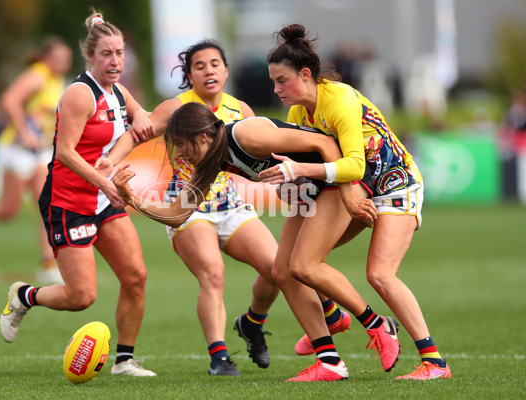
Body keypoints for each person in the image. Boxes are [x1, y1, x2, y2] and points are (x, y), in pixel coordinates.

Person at [112, 101, 401, 382]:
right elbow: (179, 214)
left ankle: (377, 326)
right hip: (312, 188)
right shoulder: (213, 162)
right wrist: (132, 199)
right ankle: (330, 361)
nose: (178, 154)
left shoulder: (247, 135)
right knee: (282, 271)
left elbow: (326, 145)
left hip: (341, 180)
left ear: (202, 137)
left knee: (302, 266)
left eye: (180, 144)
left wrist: (348, 196)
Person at [261, 23, 451, 380]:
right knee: (288, 268)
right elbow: (310, 171)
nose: (276, 89)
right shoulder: (299, 112)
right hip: (353, 190)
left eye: (282, 80)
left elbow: (354, 164)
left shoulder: (340, 100)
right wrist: (290, 184)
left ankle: (434, 362)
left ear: (305, 75)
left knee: (379, 274)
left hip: (394, 186)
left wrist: (299, 170)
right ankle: (331, 337)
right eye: (273, 81)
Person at [113, 39, 286, 376]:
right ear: (189, 75)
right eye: (199, 66)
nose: (209, 70)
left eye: (215, 64)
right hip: (189, 206)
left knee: (278, 270)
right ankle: (219, 357)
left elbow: (264, 157)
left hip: (231, 205)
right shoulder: (175, 108)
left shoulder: (242, 110)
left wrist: (291, 175)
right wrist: (107, 165)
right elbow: (138, 133)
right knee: (213, 275)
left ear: (225, 69)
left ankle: (252, 323)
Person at [0, 11, 157, 377]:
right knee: (82, 297)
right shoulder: (79, 93)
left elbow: (142, 118)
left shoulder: (118, 90)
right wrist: (106, 181)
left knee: (136, 276)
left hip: (103, 201)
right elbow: (65, 153)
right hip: (68, 202)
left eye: (119, 53)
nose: (115, 61)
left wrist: (148, 118)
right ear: (90, 56)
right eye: (107, 54)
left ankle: (124, 361)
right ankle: (24, 296)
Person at [0, 36, 73, 284]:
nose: (63, 62)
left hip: (38, 152)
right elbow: (10, 100)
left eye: (65, 58)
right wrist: (24, 132)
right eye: (58, 57)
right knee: (7, 211)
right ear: (45, 57)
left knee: (48, 204)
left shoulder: (56, 80)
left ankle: (48, 263)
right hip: (16, 149)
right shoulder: (38, 74)